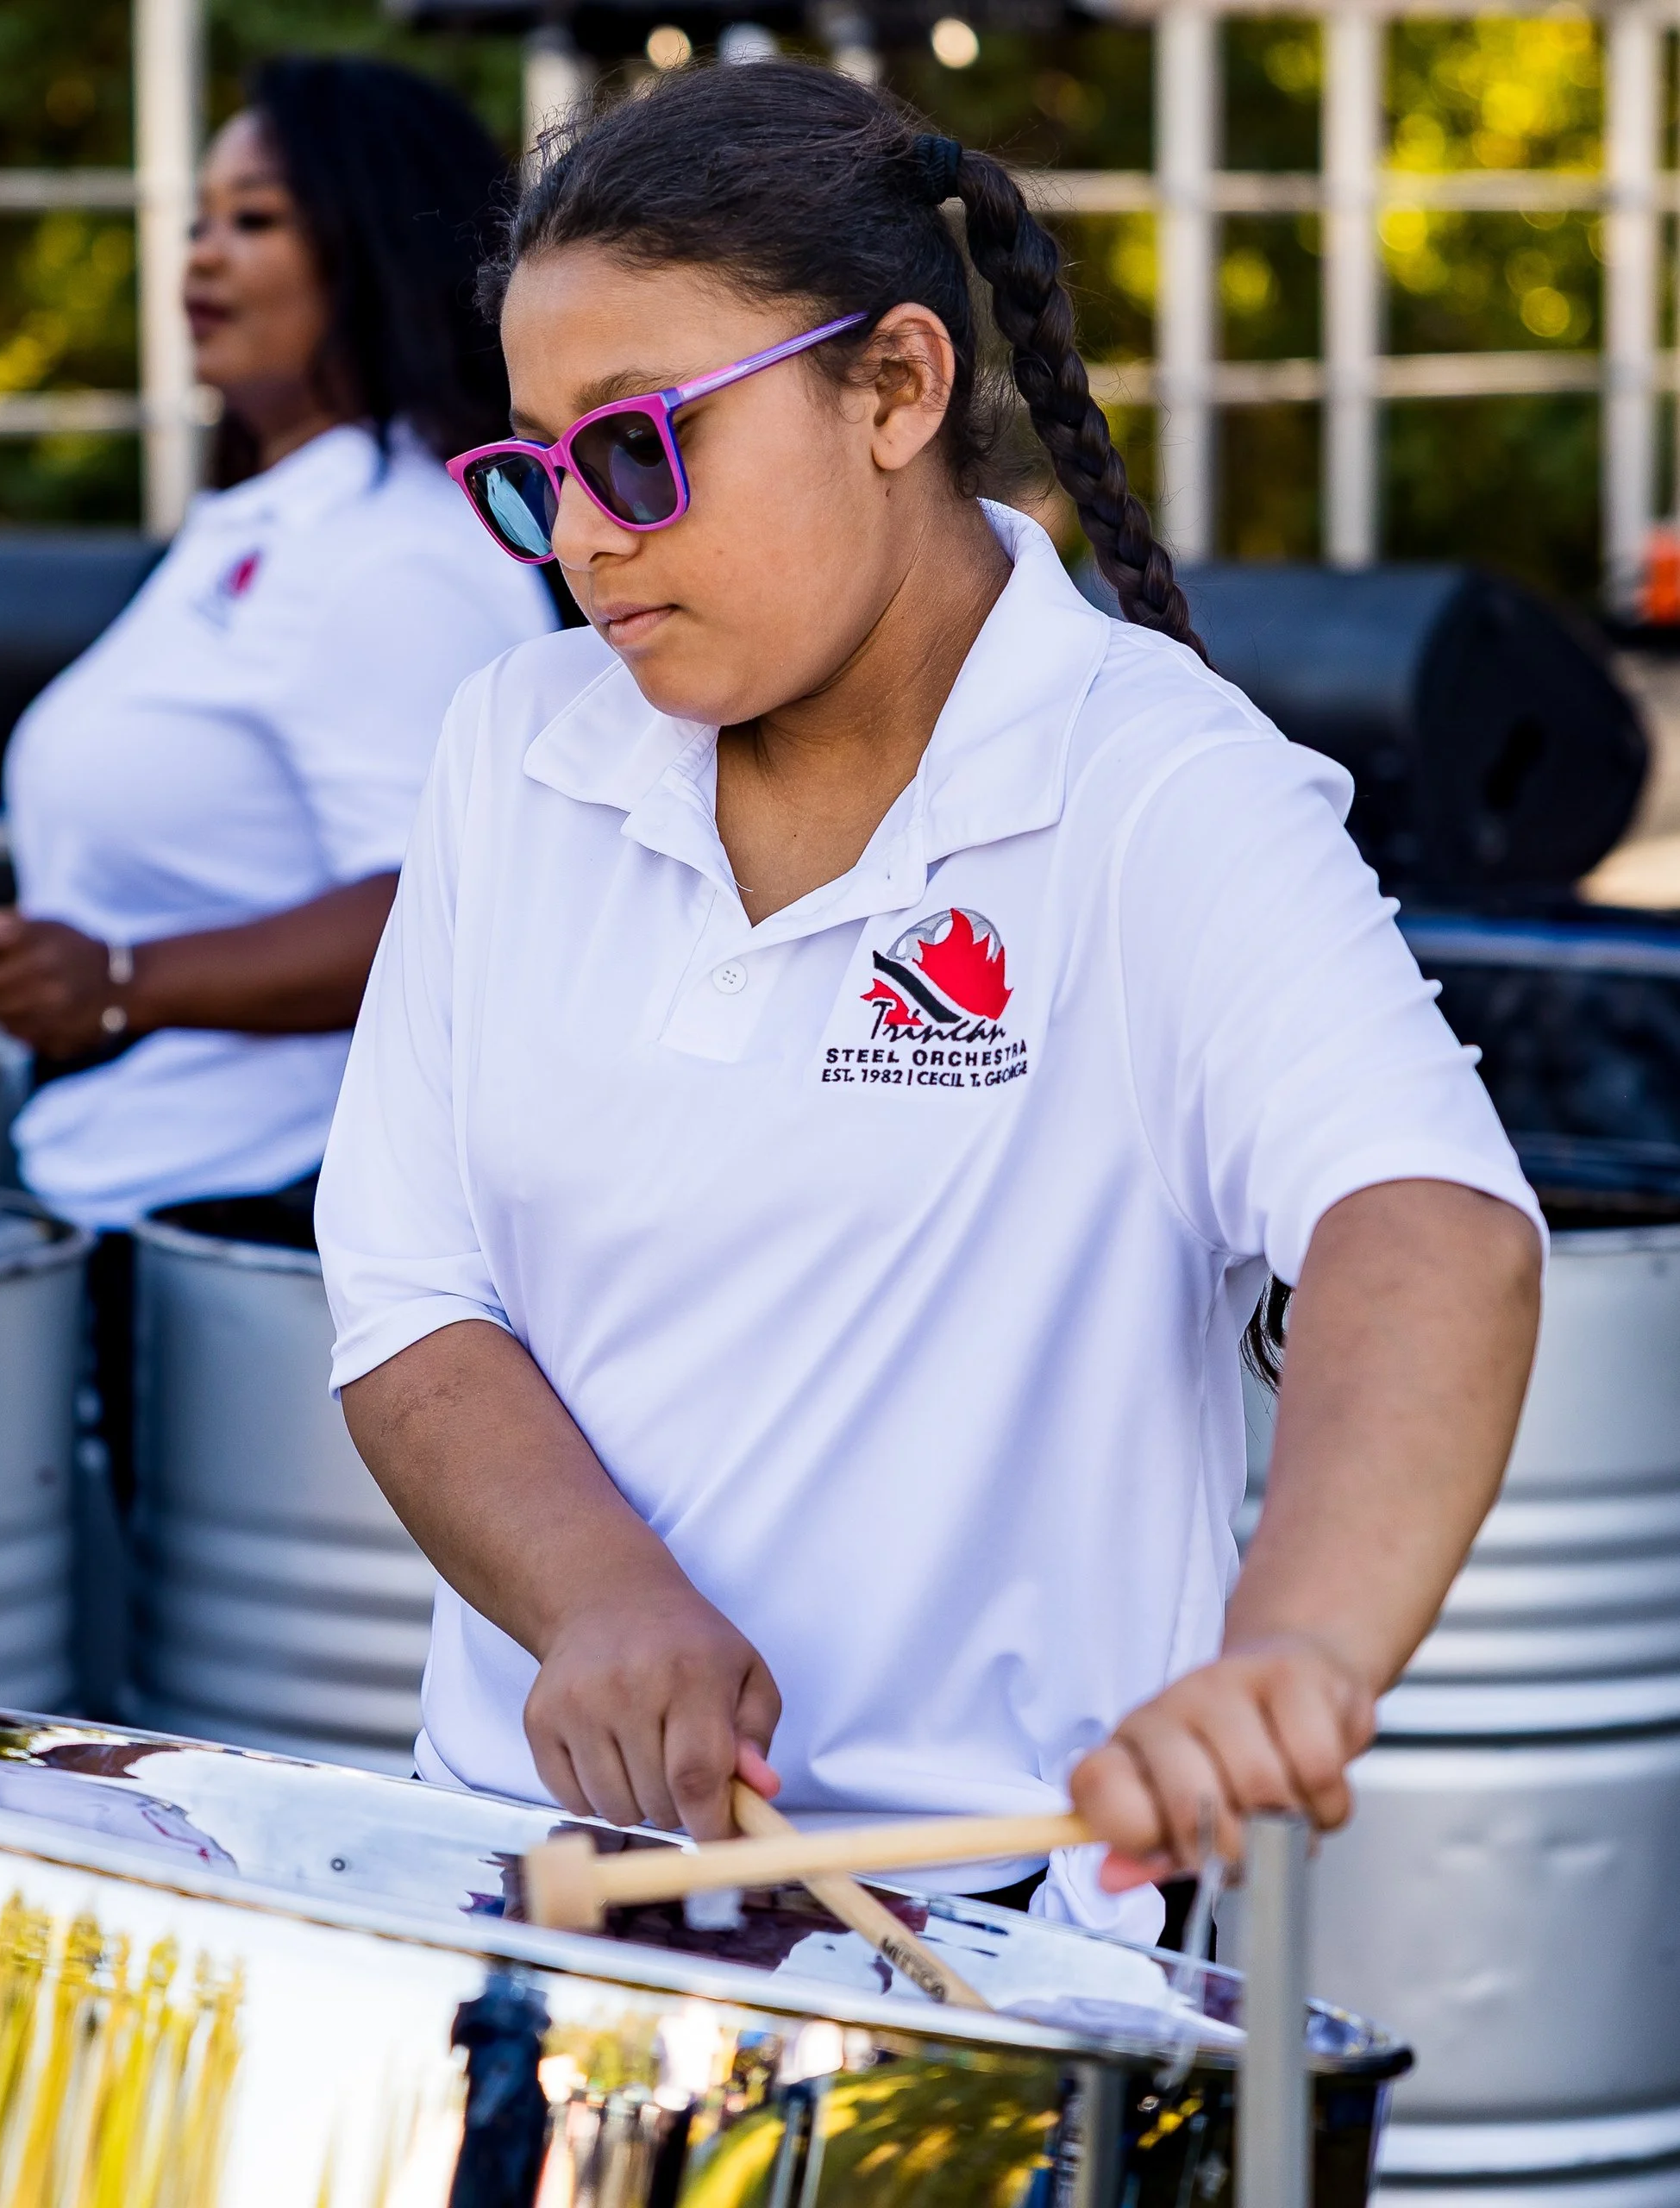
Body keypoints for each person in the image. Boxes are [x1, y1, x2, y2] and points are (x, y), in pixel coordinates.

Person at [316, 60, 1545, 1941]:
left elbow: (1424, 1226)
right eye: (531, 473)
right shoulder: (517, 746)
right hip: (522, 1880)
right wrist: (597, 1596)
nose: (579, 536)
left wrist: (1289, 1647)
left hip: (971, 1939)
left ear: (894, 385)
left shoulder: (1157, 787)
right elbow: (406, 1288)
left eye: (637, 447)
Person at [0, 59, 556, 1509]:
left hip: (253, 1239)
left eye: (257, 218)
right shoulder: (277, 512)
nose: (202, 254)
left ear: (366, 240)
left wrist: (121, 979)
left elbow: (449, 910)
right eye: (200, 219)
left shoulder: (401, 545)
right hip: (143, 1204)